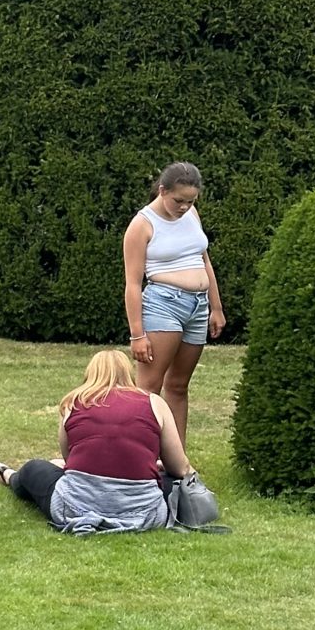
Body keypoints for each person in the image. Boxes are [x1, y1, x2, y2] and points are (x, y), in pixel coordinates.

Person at [0, 348, 199, 535]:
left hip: (75, 505)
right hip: (145, 511)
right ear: (128, 373)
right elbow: (180, 467)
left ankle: (9, 475)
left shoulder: (73, 402)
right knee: (175, 480)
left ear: (90, 373)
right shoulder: (154, 403)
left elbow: (69, 458)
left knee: (34, 469)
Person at [122, 161, 226, 443]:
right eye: (178, 200)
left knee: (179, 386)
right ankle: (137, 459)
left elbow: (203, 258)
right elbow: (133, 283)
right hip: (163, 305)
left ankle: (177, 463)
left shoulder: (191, 214)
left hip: (198, 306)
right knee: (149, 388)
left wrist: (215, 307)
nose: (183, 206)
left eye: (190, 201)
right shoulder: (142, 225)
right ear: (162, 190)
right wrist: (138, 334)